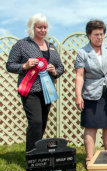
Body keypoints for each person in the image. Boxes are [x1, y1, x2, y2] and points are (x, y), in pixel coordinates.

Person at [6, 13, 64, 152]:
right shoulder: (22, 44)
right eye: (39, 27)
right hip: (30, 90)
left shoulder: (51, 46)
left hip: (47, 91)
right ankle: (32, 156)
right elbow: (10, 65)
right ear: (32, 28)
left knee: (42, 123)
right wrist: (24, 66)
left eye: (45, 27)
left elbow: (61, 67)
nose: (43, 30)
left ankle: (38, 153)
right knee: (35, 122)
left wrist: (54, 71)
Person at [75, 19, 107, 168]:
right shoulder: (82, 52)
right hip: (91, 93)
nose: (100, 37)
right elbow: (80, 75)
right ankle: (89, 159)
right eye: (96, 34)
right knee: (91, 126)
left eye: (102, 34)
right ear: (89, 35)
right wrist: (78, 95)